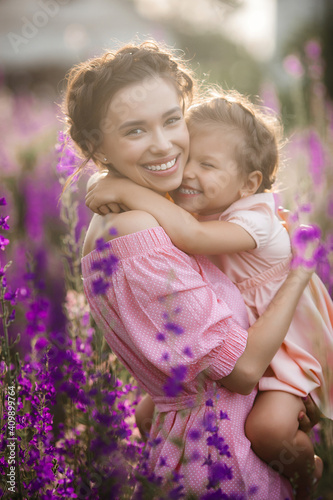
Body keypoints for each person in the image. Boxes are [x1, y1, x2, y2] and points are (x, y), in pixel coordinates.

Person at [64, 41, 320, 499]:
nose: (165, 145)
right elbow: (240, 370)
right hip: (226, 464)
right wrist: (301, 273)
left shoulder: (148, 211)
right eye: (135, 130)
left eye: (171, 119)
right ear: (94, 145)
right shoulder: (137, 232)